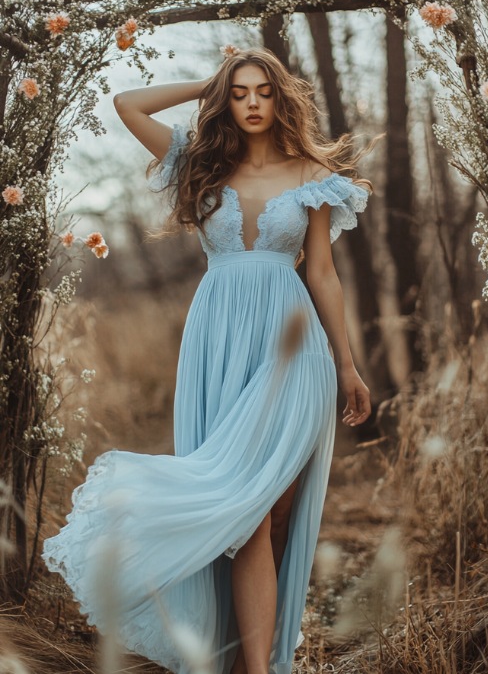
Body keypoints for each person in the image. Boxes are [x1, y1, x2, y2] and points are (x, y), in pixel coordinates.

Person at [42, 46, 372, 674]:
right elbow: (126, 103)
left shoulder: (312, 174)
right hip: (217, 343)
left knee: (273, 510)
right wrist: (209, 82)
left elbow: (324, 276)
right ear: (228, 98)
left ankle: (261, 653)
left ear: (281, 99)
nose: (252, 103)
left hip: (293, 345)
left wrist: (348, 366)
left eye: (263, 91)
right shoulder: (198, 164)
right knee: (242, 512)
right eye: (240, 92)